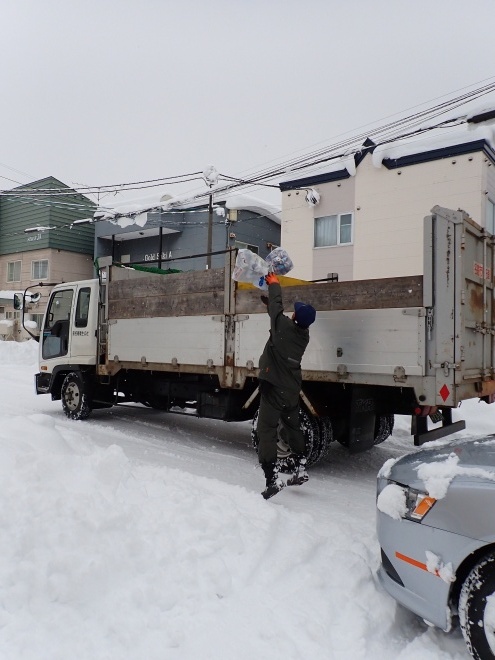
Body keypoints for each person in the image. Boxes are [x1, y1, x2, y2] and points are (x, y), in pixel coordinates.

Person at [257, 272, 316, 499]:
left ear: (294, 317)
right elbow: (277, 315)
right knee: (293, 427)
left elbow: (277, 309)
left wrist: (274, 284)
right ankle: (300, 467)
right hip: (291, 390)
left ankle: (271, 479)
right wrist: (270, 306)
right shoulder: (302, 335)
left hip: (274, 388)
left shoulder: (283, 326)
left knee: (266, 430)